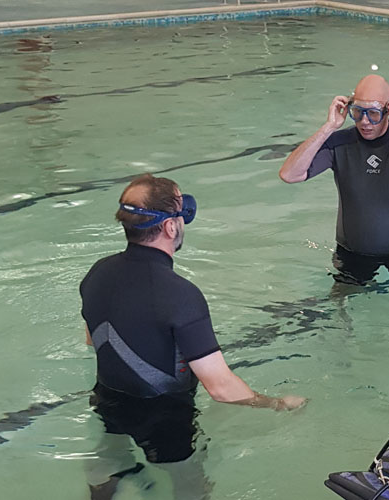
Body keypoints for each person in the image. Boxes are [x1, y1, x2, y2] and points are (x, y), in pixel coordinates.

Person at [79, 174, 305, 499]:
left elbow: (92, 341)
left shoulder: (96, 273)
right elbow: (221, 388)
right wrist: (278, 404)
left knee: (108, 469)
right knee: (190, 487)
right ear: (171, 227)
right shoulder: (181, 296)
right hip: (166, 420)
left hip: (108, 401)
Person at [278, 74, 389, 292]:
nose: (365, 122)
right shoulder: (340, 143)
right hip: (351, 252)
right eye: (358, 112)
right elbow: (289, 174)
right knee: (339, 309)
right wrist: (329, 126)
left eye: (374, 114)